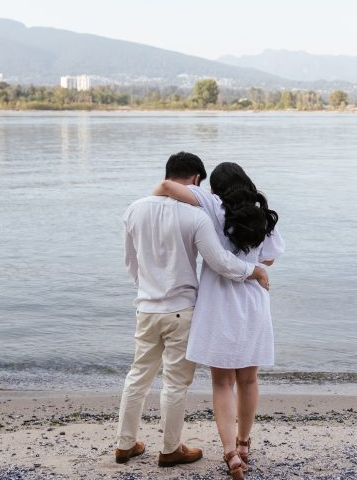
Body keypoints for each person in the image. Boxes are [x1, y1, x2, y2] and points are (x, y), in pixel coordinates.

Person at [115, 152, 270, 469]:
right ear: (197, 180)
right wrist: (254, 271)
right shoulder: (195, 217)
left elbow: (131, 263)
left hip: (145, 307)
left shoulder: (134, 209)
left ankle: (124, 445)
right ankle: (171, 449)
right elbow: (221, 262)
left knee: (137, 377)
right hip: (182, 309)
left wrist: (146, 290)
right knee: (175, 384)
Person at [153, 161, 283, 480]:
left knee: (222, 382)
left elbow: (169, 187)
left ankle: (229, 454)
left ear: (216, 189)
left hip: (218, 305)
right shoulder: (262, 216)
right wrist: (247, 257)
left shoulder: (213, 205)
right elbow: (269, 257)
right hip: (253, 301)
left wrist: (155, 194)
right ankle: (244, 446)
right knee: (249, 380)